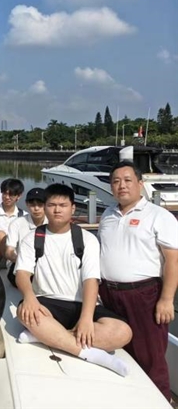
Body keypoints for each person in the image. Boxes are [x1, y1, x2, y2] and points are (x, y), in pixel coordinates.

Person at [15, 184, 133, 377]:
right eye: (52, 205)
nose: (57, 210)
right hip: (47, 302)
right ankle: (91, 354)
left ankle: (45, 336)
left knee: (123, 332)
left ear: (73, 208)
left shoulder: (87, 239)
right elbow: (22, 273)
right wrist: (29, 297)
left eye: (63, 205)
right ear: (45, 207)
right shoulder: (32, 238)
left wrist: (86, 318)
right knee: (24, 312)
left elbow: (91, 280)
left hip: (80, 304)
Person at [98, 161, 178, 401]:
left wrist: (166, 299)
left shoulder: (159, 216)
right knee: (121, 352)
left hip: (144, 295)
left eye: (127, 180)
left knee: (150, 355)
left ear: (140, 184)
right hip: (109, 294)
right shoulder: (107, 215)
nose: (121, 185)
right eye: (116, 181)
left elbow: (172, 260)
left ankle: (160, 400)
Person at [3, 187, 48, 286]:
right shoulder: (17, 223)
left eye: (40, 205)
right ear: (27, 204)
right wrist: (25, 262)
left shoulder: (51, 224)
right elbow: (9, 252)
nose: (36, 208)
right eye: (32, 205)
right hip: (18, 266)